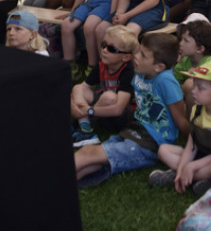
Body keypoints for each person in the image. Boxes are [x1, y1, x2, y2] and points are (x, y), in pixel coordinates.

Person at [75, 32, 188, 187]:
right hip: (134, 130)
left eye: (143, 55)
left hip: (152, 143)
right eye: (138, 51)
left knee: (90, 153)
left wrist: (192, 150)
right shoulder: (140, 74)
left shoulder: (166, 81)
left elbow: (181, 120)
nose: (136, 56)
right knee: (91, 157)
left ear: (159, 67)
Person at [149, 61, 211, 195]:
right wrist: (184, 167)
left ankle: (186, 175)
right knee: (163, 150)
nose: (193, 91)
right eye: (194, 85)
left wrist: (192, 166)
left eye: (200, 88)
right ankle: (187, 177)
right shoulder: (196, 109)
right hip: (199, 155)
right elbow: (191, 146)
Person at [70, 25, 137, 147]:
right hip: (102, 110)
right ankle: (85, 128)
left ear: (126, 57)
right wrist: (73, 105)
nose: (104, 50)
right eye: (103, 45)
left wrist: (88, 110)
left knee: (109, 97)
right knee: (78, 88)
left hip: (123, 117)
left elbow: (118, 109)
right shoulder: (102, 64)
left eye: (112, 49)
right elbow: (84, 87)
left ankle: (82, 121)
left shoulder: (128, 71)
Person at [173, 19, 211, 110]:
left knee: (189, 84)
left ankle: (191, 122)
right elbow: (175, 81)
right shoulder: (185, 59)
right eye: (181, 39)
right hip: (190, 99)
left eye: (186, 41)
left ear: (199, 49)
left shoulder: (210, 64)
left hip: (208, 106)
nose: (180, 43)